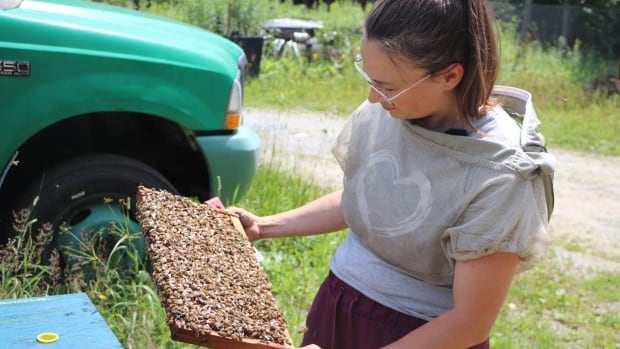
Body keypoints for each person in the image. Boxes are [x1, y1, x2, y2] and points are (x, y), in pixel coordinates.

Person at [230, 0, 554, 348]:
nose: (373, 97)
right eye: (370, 78)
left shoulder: (503, 174)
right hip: (339, 305)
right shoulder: (390, 108)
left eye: (387, 85)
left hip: (418, 335)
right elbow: (366, 198)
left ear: (450, 76)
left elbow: (469, 323)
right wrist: (264, 227)